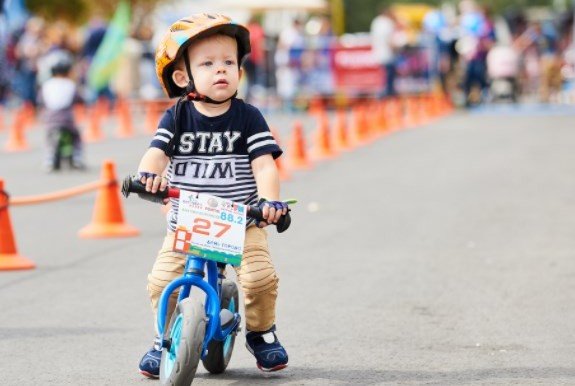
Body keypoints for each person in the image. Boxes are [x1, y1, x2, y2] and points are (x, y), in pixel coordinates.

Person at [136, 13, 290, 378]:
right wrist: (148, 176)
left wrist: (268, 203)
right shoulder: (176, 117)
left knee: (259, 278)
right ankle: (165, 338)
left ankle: (261, 332)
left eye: (229, 62)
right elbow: (156, 154)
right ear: (182, 76)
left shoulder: (248, 117)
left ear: (240, 69)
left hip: (241, 220)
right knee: (162, 282)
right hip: (188, 222)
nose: (221, 70)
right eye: (208, 64)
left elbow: (265, 166)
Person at [39, 51, 85, 171]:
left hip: (50, 119)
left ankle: (49, 158)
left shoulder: (46, 85)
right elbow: (78, 98)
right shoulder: (70, 84)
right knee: (76, 137)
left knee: (49, 137)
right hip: (66, 120)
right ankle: (77, 158)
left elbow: (41, 100)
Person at [370, 5, 399, 98]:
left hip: (377, 53)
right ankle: (388, 95)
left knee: (381, 77)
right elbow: (390, 40)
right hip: (388, 54)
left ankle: (381, 94)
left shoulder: (376, 22)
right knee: (389, 77)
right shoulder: (387, 23)